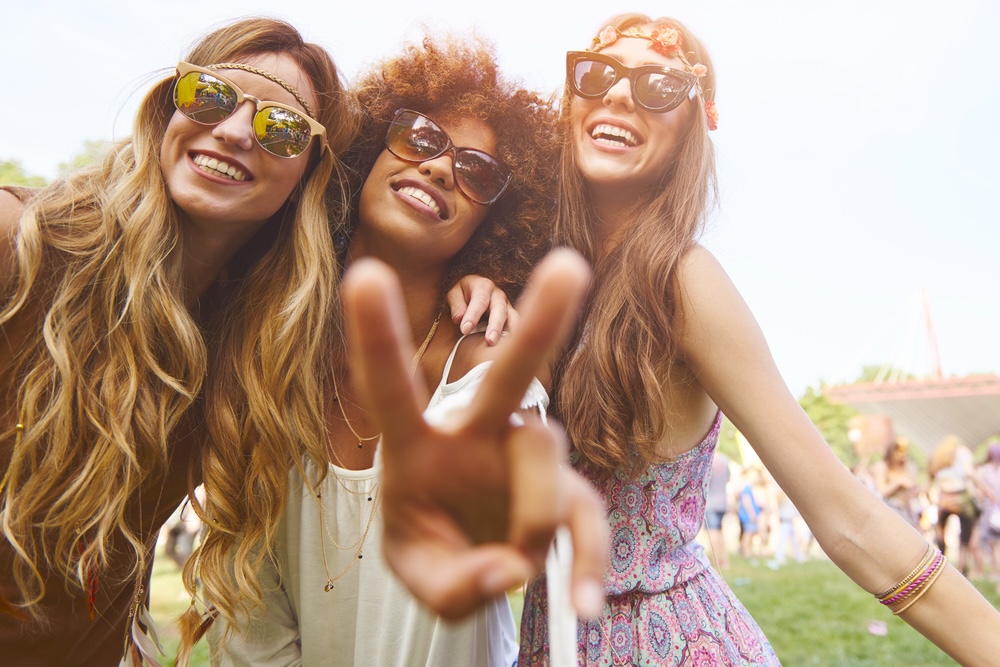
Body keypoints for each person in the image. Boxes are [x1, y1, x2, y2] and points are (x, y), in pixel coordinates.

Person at [510, 12, 1000, 666]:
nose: (622, 93)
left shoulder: (680, 281)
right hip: (554, 640)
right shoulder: (521, 272)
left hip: (673, 645)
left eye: (658, 85)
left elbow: (846, 516)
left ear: (690, 130)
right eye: (598, 74)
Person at [208, 35, 606, 667]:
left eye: (477, 171)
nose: (441, 166)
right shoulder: (270, 347)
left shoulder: (484, 365)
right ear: (367, 153)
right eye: (420, 137)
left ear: (492, 223)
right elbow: (251, 621)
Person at [0, 18, 360, 665]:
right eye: (211, 96)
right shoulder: (20, 244)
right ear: (170, 108)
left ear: (308, 171)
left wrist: (485, 278)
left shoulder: (254, 349)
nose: (233, 130)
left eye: (281, 127)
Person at [929, 435, 983, 576]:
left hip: (944, 499)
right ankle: (962, 570)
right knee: (964, 539)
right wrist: (983, 488)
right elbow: (969, 472)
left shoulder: (938, 456)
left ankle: (939, 565)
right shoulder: (962, 452)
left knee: (941, 533)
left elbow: (931, 475)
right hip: (961, 499)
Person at [871, 438, 921, 528]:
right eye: (899, 451)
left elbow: (914, 492)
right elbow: (881, 491)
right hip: (889, 511)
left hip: (906, 513)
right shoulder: (882, 467)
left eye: (904, 451)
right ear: (892, 451)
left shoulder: (907, 469)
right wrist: (899, 482)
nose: (902, 455)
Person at [703, 449, 731, 569]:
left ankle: (716, 563)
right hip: (723, 501)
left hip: (711, 502)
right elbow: (728, 479)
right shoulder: (725, 460)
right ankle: (725, 561)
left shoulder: (708, 458)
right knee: (720, 532)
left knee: (713, 533)